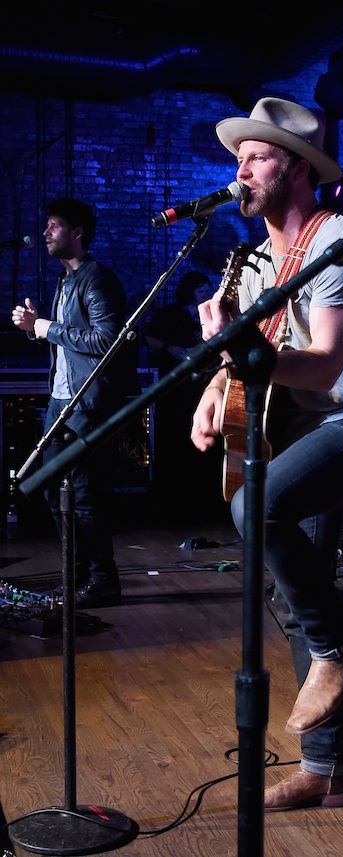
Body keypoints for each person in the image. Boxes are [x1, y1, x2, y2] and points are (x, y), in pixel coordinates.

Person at [190, 97, 343, 811]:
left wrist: (238, 351)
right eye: (238, 160)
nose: (240, 172)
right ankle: (329, 768)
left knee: (256, 505)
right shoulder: (255, 261)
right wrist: (216, 382)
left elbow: (320, 365)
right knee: (295, 596)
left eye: (253, 158)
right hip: (300, 431)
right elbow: (250, 355)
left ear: (292, 165)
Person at [12, 196, 140, 609]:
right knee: (51, 489)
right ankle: (78, 577)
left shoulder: (97, 279)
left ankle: (102, 579)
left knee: (84, 494)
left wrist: (44, 326)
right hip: (61, 401)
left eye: (54, 225)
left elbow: (106, 342)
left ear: (78, 232)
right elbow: (69, 340)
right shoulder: (66, 281)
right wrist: (36, 329)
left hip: (90, 404)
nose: (46, 232)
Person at [144, 270, 222, 518]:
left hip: (203, 384)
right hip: (176, 387)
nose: (205, 293)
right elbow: (149, 338)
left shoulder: (212, 312)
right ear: (189, 290)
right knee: (176, 437)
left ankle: (206, 498)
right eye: (200, 289)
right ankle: (174, 500)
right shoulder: (171, 314)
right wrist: (171, 348)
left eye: (207, 288)